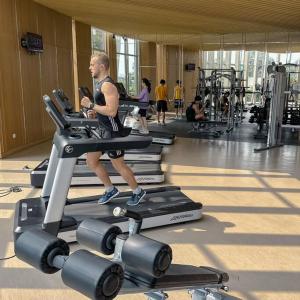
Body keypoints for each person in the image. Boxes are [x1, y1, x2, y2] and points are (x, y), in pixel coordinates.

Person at [80, 53, 146, 206]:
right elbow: (104, 108)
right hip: (103, 131)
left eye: (92, 65)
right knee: (91, 160)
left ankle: (138, 191)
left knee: (118, 165)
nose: (89, 68)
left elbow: (111, 111)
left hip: (113, 132)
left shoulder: (108, 85)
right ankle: (110, 189)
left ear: (101, 66)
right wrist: (94, 111)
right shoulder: (99, 84)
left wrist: (91, 105)